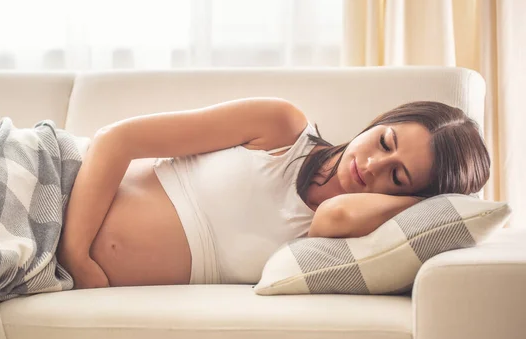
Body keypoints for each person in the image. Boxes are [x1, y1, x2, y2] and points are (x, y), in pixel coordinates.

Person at [55, 99, 490, 290]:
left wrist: (425, 205)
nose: (372, 165)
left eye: (397, 178)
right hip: (52, 181)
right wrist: (77, 257)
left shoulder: (345, 229)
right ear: (381, 120)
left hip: (49, 261)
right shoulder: (281, 127)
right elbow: (116, 140)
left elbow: (335, 216)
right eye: (385, 141)